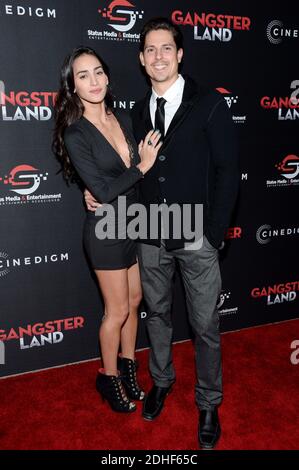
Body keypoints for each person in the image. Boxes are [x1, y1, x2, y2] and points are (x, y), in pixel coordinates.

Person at [85, 17, 239, 449]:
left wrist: (213, 232)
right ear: (140, 59)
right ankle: (162, 381)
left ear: (180, 54)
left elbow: (229, 171)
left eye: (166, 48)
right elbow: (127, 169)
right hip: (151, 233)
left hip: (196, 234)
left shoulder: (208, 103)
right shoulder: (135, 111)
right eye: (150, 49)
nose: (158, 56)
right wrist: (92, 192)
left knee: (205, 324)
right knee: (158, 315)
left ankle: (208, 402)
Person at [52, 46, 162, 414]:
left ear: (108, 76)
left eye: (98, 72)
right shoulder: (75, 133)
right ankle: (109, 376)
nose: (93, 81)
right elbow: (102, 190)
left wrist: (139, 172)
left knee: (134, 302)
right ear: (72, 86)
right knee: (115, 311)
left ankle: (129, 367)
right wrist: (143, 166)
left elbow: (118, 181)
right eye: (83, 75)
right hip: (106, 232)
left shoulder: (121, 118)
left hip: (134, 223)